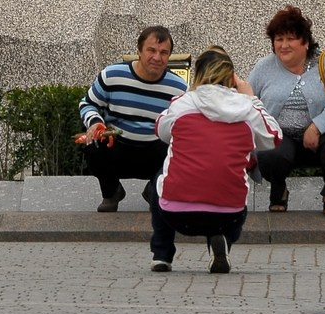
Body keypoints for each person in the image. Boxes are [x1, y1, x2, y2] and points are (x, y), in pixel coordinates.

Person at [149, 45, 281, 273]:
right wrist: (252, 98)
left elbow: (161, 129)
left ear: (198, 75)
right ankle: (222, 243)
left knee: (161, 176)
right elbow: (274, 136)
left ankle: (162, 255)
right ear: (232, 78)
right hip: (229, 215)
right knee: (229, 176)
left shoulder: (183, 103)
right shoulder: (247, 109)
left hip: (176, 215)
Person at [248, 5, 325, 218]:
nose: (283, 45)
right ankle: (279, 188)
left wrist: (317, 126)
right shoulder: (263, 67)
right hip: (282, 137)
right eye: (278, 39)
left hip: (321, 138)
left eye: (290, 39)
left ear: (305, 42)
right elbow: (248, 100)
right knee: (268, 152)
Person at [78, 26, 188, 212]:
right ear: (139, 50)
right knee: (92, 144)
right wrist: (95, 123)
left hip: (156, 149)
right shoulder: (111, 75)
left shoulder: (179, 88)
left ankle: (156, 189)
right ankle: (111, 192)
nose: (157, 57)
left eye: (163, 53)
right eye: (151, 50)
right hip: (118, 144)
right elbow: (88, 104)